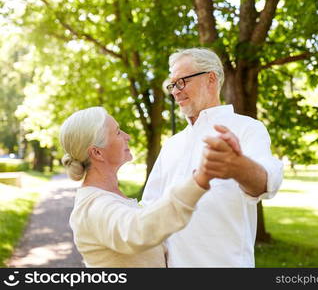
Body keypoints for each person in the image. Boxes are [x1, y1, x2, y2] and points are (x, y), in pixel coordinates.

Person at [142, 48, 284, 267]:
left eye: (182, 82)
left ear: (211, 78)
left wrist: (238, 166)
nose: (175, 92)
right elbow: (149, 209)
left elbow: (266, 183)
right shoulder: (172, 144)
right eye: (172, 85)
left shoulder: (248, 128)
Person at [60, 106, 239, 267]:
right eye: (117, 132)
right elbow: (138, 230)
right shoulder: (93, 208)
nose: (127, 136)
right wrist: (200, 178)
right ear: (97, 152)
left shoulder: (112, 196)